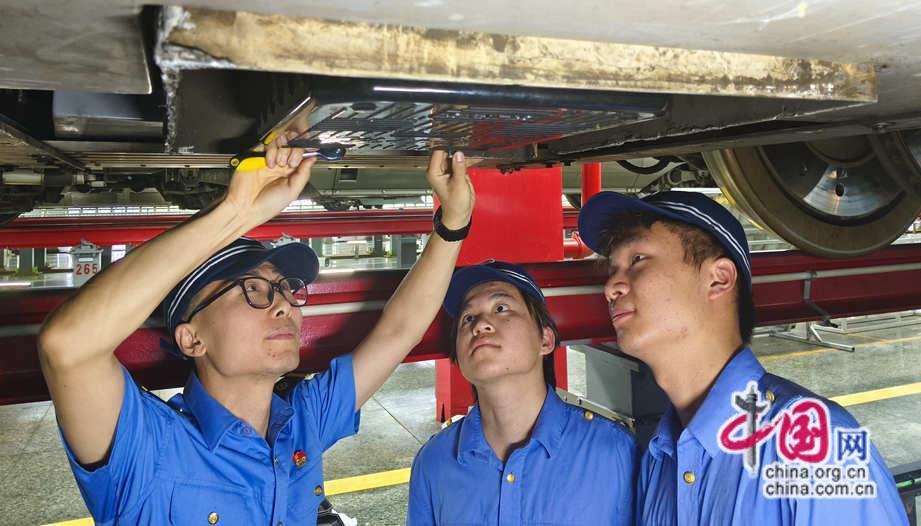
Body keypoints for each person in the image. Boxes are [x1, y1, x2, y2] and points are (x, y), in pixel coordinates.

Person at [37, 133, 475, 525]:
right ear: (192, 338)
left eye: (285, 289)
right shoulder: (147, 449)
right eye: (253, 289)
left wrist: (453, 223)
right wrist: (235, 213)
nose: (284, 304)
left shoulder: (302, 422)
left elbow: (400, 331)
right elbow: (68, 346)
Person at [577, 190, 907, 525]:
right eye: (612, 269)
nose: (611, 287)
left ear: (718, 279)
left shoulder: (818, 450)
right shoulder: (660, 458)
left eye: (637, 260)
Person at [407, 260, 636, 525]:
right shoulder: (433, 464)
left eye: (501, 308)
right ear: (457, 355)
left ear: (545, 340)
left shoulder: (613, 452)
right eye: (467, 318)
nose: (480, 325)